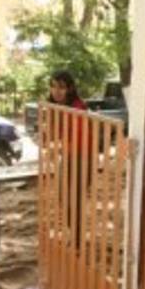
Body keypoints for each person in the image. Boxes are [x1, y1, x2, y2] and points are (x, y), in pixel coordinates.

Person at [48, 71, 91, 249]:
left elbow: (79, 139)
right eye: (53, 86)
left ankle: (78, 240)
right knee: (62, 197)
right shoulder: (54, 107)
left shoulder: (78, 107)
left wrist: (59, 146)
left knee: (75, 200)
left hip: (82, 157)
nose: (56, 91)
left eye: (61, 87)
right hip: (67, 156)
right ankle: (74, 235)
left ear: (70, 88)